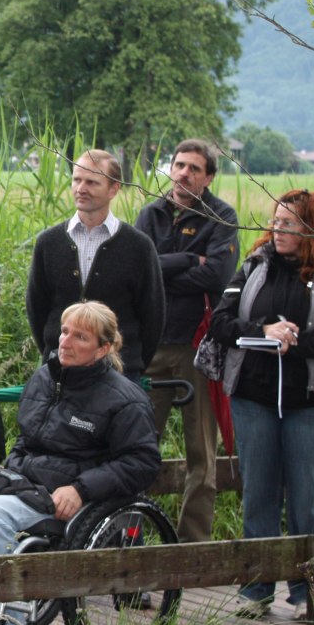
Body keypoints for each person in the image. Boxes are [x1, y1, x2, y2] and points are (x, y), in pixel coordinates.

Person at [0, 301, 161, 625]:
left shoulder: (124, 400)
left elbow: (143, 463)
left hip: (73, 498)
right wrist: (13, 468)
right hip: (28, 483)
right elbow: (26, 437)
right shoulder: (44, 378)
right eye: (65, 331)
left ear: (103, 349)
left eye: (80, 337)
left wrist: (81, 489)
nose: (65, 341)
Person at [208, 189, 314, 622]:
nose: (279, 230)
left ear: (313, 228)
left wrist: (297, 341)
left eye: (289, 223)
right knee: (259, 495)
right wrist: (263, 330)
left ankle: (309, 593)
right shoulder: (253, 266)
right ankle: (256, 589)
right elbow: (220, 321)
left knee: (309, 501)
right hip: (254, 397)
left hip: (313, 402)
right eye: (276, 221)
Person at [134, 139, 239, 543]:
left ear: (209, 177)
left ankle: (191, 546)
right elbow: (139, 271)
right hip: (151, 345)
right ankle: (131, 540)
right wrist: (185, 262)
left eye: (195, 169)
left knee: (202, 455)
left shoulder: (222, 217)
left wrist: (164, 271)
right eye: (179, 166)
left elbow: (216, 277)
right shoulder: (151, 214)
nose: (184, 174)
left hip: (198, 349)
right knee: (139, 449)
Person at [26, 149, 164, 379]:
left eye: (92, 182)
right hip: (59, 370)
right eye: (76, 180)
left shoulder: (138, 246)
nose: (81, 188)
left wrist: (132, 363)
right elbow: (36, 308)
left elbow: (153, 316)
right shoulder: (48, 242)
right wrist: (57, 348)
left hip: (119, 372)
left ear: (113, 188)